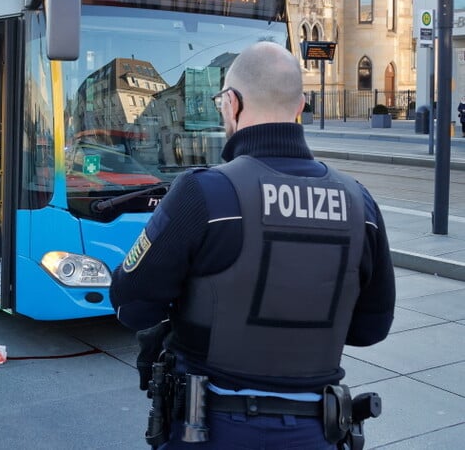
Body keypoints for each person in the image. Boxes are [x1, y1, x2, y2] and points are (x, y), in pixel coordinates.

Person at [110, 41, 395, 449]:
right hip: (317, 430)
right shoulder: (358, 202)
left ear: (231, 103)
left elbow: (130, 303)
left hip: (209, 428)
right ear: (300, 106)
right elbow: (371, 328)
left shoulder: (203, 193)